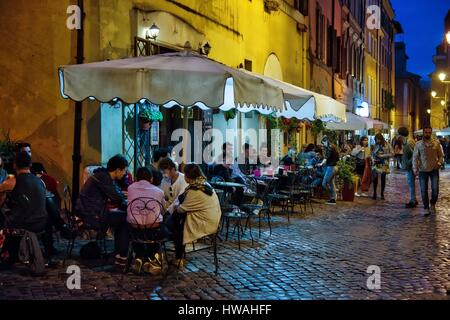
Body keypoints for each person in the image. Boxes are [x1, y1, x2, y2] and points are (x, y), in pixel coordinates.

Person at [74, 155, 129, 265]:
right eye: (124, 171)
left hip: (88, 212)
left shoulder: (102, 175)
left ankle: (119, 252)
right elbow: (117, 197)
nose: (125, 174)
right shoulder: (104, 178)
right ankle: (121, 254)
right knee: (125, 219)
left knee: (121, 216)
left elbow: (114, 193)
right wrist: (124, 198)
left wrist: (120, 195)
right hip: (92, 216)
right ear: (118, 170)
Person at [168, 163, 221, 268]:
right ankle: (179, 255)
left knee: (176, 226)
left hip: (205, 223)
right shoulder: (203, 184)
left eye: (185, 174)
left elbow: (181, 209)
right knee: (177, 220)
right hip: (212, 218)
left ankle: (179, 258)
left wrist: (173, 209)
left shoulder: (195, 190)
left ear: (188, 176)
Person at [0, 152, 48, 267]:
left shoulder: (12, 182)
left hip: (25, 223)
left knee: (3, 217)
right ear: (30, 165)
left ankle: (7, 254)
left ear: (14, 165)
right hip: (41, 222)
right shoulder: (40, 181)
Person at [127, 167, 167, 275]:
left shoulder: (130, 188)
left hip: (135, 228)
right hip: (154, 228)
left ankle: (139, 256)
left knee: (131, 227)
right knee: (163, 229)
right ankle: (150, 258)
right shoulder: (159, 192)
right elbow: (164, 209)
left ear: (136, 178)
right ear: (151, 179)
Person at [413, 126, 445, 216]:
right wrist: (415, 168)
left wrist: (439, 164)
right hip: (423, 170)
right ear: (423, 133)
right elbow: (415, 157)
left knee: (435, 189)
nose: (428, 134)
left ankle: (433, 203)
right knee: (423, 190)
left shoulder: (436, 143)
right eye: (426, 132)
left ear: (431, 133)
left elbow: (441, 155)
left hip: (434, 169)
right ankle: (426, 207)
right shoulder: (418, 144)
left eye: (429, 132)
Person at [398, 127, 418, 209]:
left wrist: (408, 163)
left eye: (398, 133)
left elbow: (415, 154)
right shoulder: (406, 142)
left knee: (411, 184)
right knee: (411, 184)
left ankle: (413, 201)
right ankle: (414, 199)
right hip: (409, 167)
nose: (397, 135)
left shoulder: (409, 142)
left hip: (410, 167)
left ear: (401, 134)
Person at [371, 133, 393, 200]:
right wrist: (372, 159)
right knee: (375, 178)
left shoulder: (387, 145)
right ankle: (374, 193)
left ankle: (382, 194)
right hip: (376, 163)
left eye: (378, 140)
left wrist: (383, 156)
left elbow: (392, 153)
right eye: (376, 140)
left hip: (384, 163)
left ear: (381, 139)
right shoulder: (375, 145)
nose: (377, 141)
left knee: (383, 178)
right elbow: (372, 154)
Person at [320, 136, 340, 205]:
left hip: (331, 167)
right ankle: (333, 198)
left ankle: (332, 196)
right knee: (331, 183)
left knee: (324, 183)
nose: (322, 145)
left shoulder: (329, 147)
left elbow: (326, 157)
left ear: (326, 141)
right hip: (335, 166)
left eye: (323, 143)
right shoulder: (334, 147)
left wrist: (321, 163)